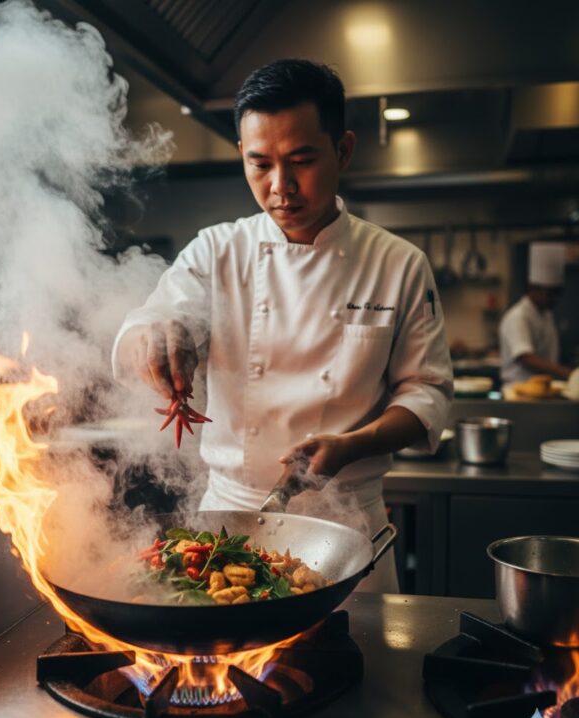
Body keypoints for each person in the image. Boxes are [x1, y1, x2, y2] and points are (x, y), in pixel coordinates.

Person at [112, 60, 453, 592]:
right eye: (259, 164)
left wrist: (353, 444)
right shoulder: (216, 251)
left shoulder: (398, 263)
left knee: (359, 668)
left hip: (345, 528)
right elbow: (150, 321)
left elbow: (427, 393)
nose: (280, 187)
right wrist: (155, 338)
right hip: (227, 524)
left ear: (343, 150)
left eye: (301, 160)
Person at [499, 242, 573, 384]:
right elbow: (525, 357)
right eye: (550, 293)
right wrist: (568, 373)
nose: (555, 299)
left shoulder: (546, 315)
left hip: (543, 388)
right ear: (533, 288)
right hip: (519, 391)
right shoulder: (518, 316)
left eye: (558, 293)